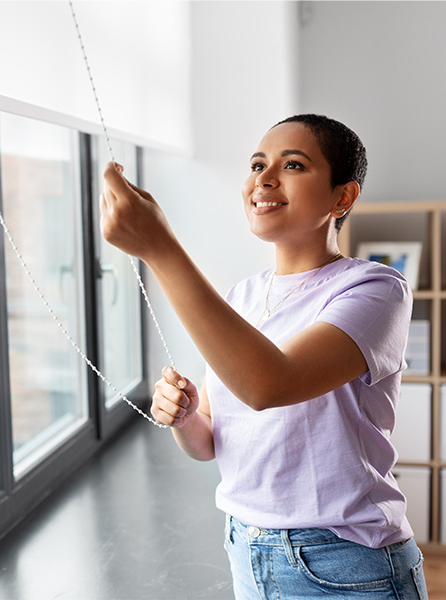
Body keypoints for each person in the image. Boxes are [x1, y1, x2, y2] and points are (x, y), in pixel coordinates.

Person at [100, 114, 428, 599]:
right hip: (247, 548)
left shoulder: (375, 289)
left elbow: (269, 385)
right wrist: (184, 418)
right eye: (257, 164)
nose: (264, 178)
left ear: (343, 197)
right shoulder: (240, 299)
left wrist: (160, 249)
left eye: (292, 164)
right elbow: (208, 440)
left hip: (345, 561)